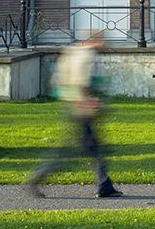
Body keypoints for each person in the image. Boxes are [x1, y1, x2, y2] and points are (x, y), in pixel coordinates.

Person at [23, 34, 122, 199]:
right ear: (95, 40)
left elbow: (59, 83)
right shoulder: (87, 56)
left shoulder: (72, 53)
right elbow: (83, 82)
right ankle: (35, 179)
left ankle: (105, 185)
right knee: (68, 152)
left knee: (93, 149)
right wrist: (92, 101)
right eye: (103, 40)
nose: (106, 44)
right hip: (82, 109)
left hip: (73, 106)